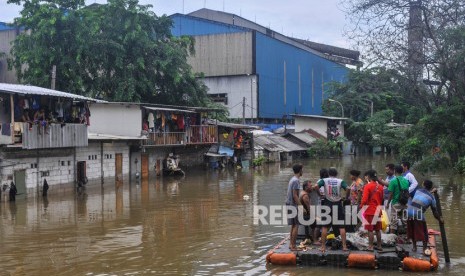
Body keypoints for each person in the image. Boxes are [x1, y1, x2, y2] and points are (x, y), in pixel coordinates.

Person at [316, 167, 348, 252]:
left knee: (325, 227)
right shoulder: (340, 181)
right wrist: (346, 197)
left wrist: (320, 195)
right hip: (338, 204)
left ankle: (323, 247)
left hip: (327, 204)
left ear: (329, 173)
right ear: (336, 174)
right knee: (341, 226)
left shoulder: (324, 180)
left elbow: (315, 186)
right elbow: (348, 188)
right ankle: (344, 246)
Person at [406, 180, 443, 253]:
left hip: (408, 212)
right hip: (418, 214)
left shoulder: (418, 191)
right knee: (424, 232)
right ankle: (424, 249)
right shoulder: (432, 198)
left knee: (413, 229)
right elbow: (435, 212)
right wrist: (440, 219)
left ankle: (414, 247)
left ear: (423, 185)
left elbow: (424, 194)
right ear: (431, 187)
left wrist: (432, 192)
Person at [360, 169, 384, 251]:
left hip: (370, 210)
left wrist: (361, 206)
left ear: (369, 177)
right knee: (377, 230)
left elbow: (364, 200)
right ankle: (379, 246)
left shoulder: (367, 186)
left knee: (370, 229)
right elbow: (382, 199)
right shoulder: (380, 187)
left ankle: (370, 246)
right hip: (378, 210)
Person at [387, 165, 409, 234]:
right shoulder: (406, 180)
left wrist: (388, 203)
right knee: (405, 222)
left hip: (396, 203)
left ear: (395, 171)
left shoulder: (393, 181)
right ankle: (408, 238)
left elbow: (391, 194)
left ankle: (391, 238)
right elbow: (407, 192)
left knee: (393, 222)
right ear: (402, 171)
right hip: (404, 203)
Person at [286, 164, 303, 251]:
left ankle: (291, 245)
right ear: (300, 171)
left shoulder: (292, 179)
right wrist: (301, 207)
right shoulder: (296, 181)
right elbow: (295, 196)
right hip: (293, 205)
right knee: (296, 225)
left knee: (293, 225)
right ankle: (293, 246)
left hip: (289, 204)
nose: (302, 171)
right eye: (302, 169)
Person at [300, 180, 321, 245]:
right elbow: (309, 208)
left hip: (303, 215)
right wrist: (315, 217)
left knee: (314, 223)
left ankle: (309, 238)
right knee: (318, 223)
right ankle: (315, 240)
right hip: (305, 216)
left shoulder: (302, 192)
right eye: (310, 186)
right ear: (306, 187)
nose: (312, 187)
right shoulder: (305, 196)